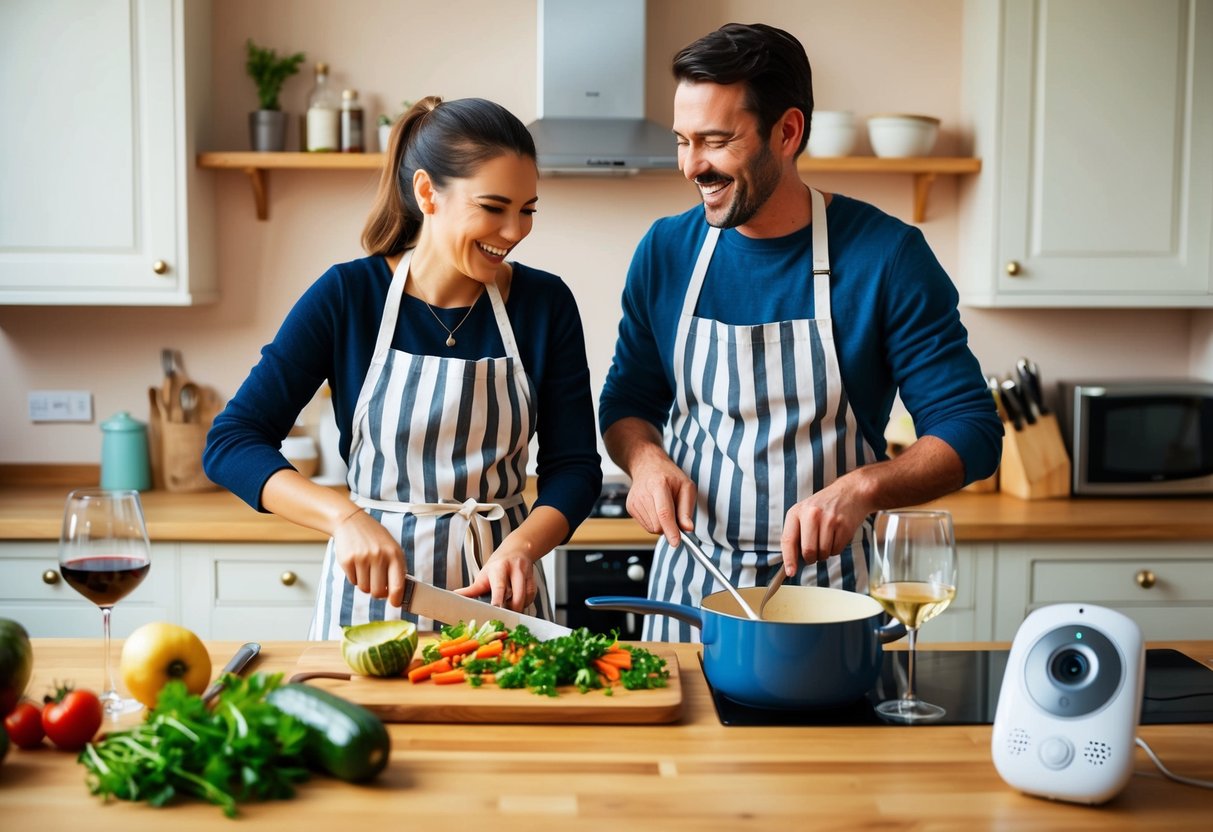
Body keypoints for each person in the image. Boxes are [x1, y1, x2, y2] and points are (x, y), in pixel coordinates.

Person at [598, 24, 1003, 642]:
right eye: (683, 141)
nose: (691, 166)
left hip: (832, 598)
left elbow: (971, 430)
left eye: (715, 141)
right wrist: (646, 461)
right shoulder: (666, 251)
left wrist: (864, 488)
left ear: (787, 132)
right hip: (692, 588)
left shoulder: (887, 256)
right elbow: (628, 402)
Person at [204, 96, 602, 638]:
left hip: (500, 602)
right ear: (426, 193)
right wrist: (343, 518)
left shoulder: (545, 304)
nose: (513, 231)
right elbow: (231, 443)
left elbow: (576, 468)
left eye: (527, 209)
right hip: (372, 601)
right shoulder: (348, 296)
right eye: (493, 206)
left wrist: (523, 546)